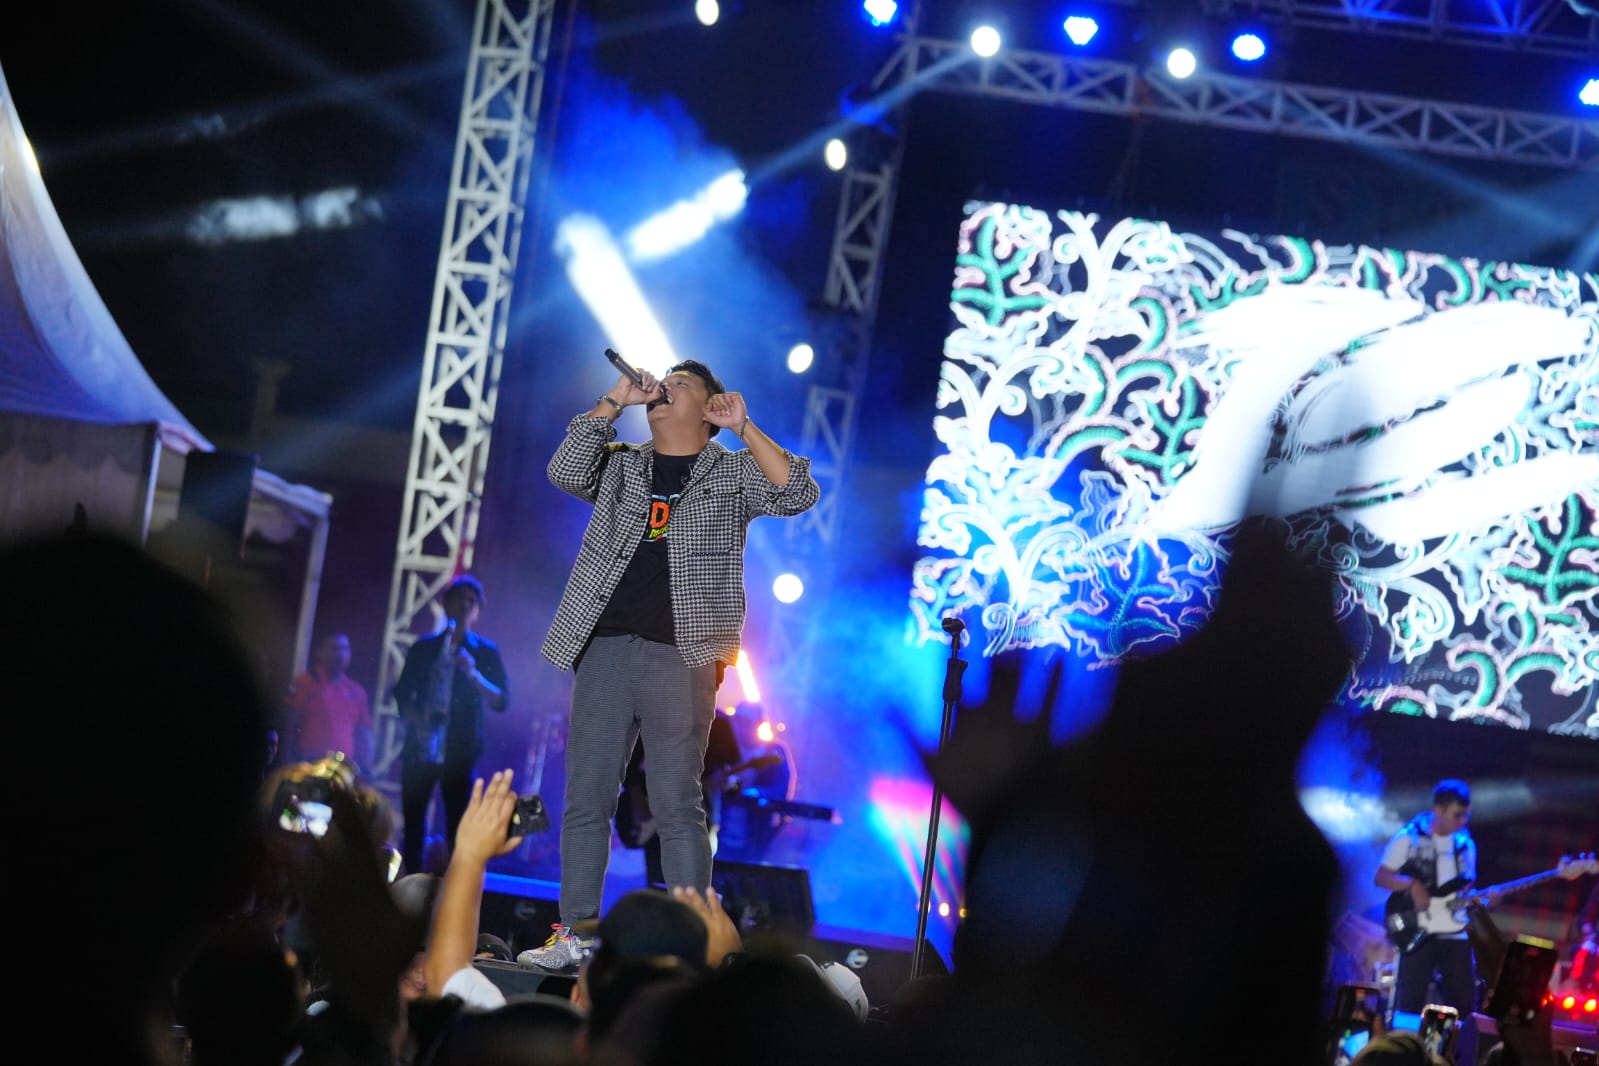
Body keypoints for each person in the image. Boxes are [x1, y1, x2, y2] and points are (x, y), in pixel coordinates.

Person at [528, 359, 820, 970]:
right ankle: (575, 935)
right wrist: (616, 398)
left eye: (680, 383)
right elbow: (565, 469)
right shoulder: (622, 463)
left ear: (710, 408)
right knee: (586, 798)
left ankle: (695, 946)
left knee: (676, 804)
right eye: (663, 380)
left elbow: (797, 492)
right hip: (605, 643)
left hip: (683, 653)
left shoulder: (731, 470)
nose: (664, 387)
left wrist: (744, 427)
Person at [392, 575, 510, 875]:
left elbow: (502, 700)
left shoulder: (485, 651)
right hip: (421, 748)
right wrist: (416, 720)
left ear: (478, 610)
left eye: (471, 601)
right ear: (446, 605)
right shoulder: (424, 647)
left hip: (459, 753)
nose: (465, 605)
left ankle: (452, 888)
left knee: (457, 827)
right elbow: (402, 692)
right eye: (459, 599)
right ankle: (411, 885)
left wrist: (474, 674)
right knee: (413, 824)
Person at [1376, 779, 1484, 1064]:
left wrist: (1483, 899)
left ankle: (1448, 1058)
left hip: (1455, 933)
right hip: (1418, 931)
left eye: (1466, 816)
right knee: (1409, 1002)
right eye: (1457, 815)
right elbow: (1382, 876)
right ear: (1439, 809)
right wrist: (1411, 884)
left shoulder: (1465, 845)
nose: (1462, 821)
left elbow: (1465, 890)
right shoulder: (1409, 837)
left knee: (1463, 1004)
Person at [283, 632, 373, 768]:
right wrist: (286, 760)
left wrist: (366, 768)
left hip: (343, 766)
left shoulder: (356, 691)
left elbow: (364, 733)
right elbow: (289, 724)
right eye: (335, 648)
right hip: (308, 763)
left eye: (345, 649)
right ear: (319, 652)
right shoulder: (305, 683)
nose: (341, 653)